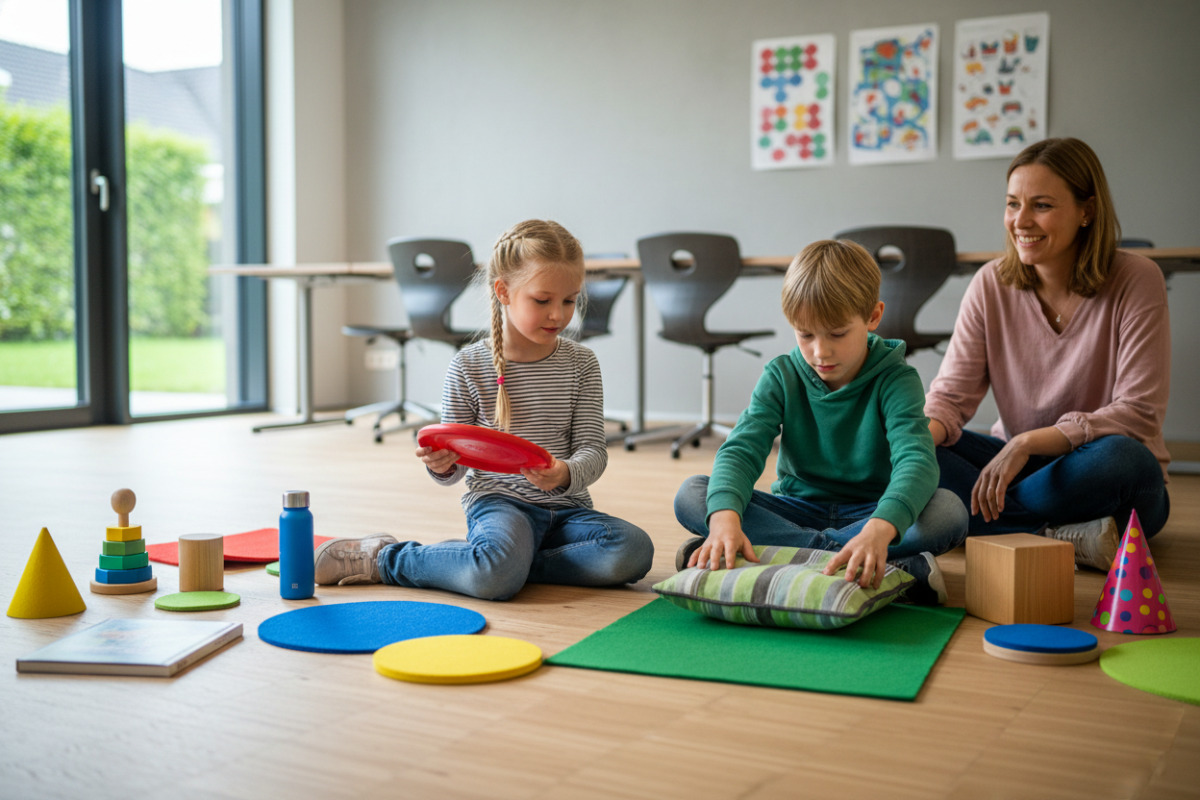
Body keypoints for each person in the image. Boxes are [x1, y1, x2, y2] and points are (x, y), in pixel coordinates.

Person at [314, 219, 654, 599]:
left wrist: (564, 473)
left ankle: (508, 563)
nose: (558, 314)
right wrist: (441, 465)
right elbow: (455, 465)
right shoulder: (468, 365)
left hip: (568, 510)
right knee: (495, 575)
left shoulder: (582, 363)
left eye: (569, 300)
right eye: (542, 300)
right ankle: (384, 559)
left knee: (633, 551)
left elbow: (593, 451)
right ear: (503, 291)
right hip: (500, 505)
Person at [673, 239, 968, 603]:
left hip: (869, 513)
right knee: (694, 494)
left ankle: (779, 556)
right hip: (795, 509)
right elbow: (742, 450)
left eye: (837, 334)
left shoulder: (897, 379)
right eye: (805, 334)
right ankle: (878, 567)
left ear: (873, 317)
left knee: (948, 511)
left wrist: (880, 527)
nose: (820, 351)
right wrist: (723, 519)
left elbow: (916, 461)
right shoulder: (781, 375)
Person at [924, 137, 1171, 569]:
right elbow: (949, 399)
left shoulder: (1137, 278)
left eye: (1041, 205)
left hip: (1097, 470)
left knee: (1124, 458)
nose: (1020, 221)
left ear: (1086, 211)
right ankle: (1058, 535)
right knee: (921, 450)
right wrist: (910, 449)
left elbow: (1138, 412)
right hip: (1023, 469)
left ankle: (984, 524)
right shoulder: (989, 284)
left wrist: (1027, 442)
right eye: (1012, 204)